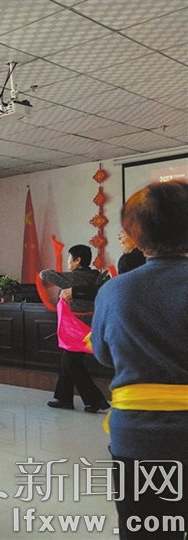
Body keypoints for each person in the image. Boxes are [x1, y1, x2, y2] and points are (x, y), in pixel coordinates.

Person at [92, 180, 188, 539]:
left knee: (146, 529)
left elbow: (103, 355)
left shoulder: (113, 290)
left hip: (137, 437)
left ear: (135, 234)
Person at [40, 245, 110, 413]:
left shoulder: (74, 278)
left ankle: (95, 400)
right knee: (68, 360)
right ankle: (63, 398)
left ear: (78, 260)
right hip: (90, 324)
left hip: (76, 326)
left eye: (69, 257)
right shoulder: (95, 276)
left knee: (71, 361)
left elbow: (46, 274)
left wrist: (42, 275)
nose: (68, 261)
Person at [60, 229, 146, 303]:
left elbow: (120, 291)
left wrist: (74, 292)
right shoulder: (148, 258)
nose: (119, 239)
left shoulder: (129, 259)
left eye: (122, 234)